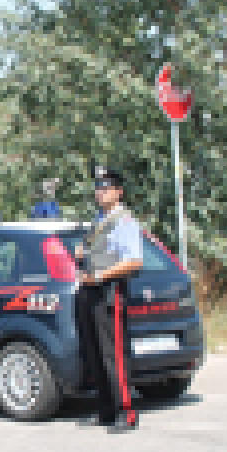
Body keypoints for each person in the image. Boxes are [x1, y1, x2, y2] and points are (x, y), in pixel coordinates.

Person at [75, 165, 143, 432]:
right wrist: (81, 254)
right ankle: (106, 411)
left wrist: (101, 275)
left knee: (113, 356)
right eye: (98, 188)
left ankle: (127, 412)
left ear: (118, 192)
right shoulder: (98, 222)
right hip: (90, 291)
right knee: (94, 355)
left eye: (106, 188)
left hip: (109, 292)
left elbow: (134, 261)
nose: (101, 192)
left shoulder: (124, 222)